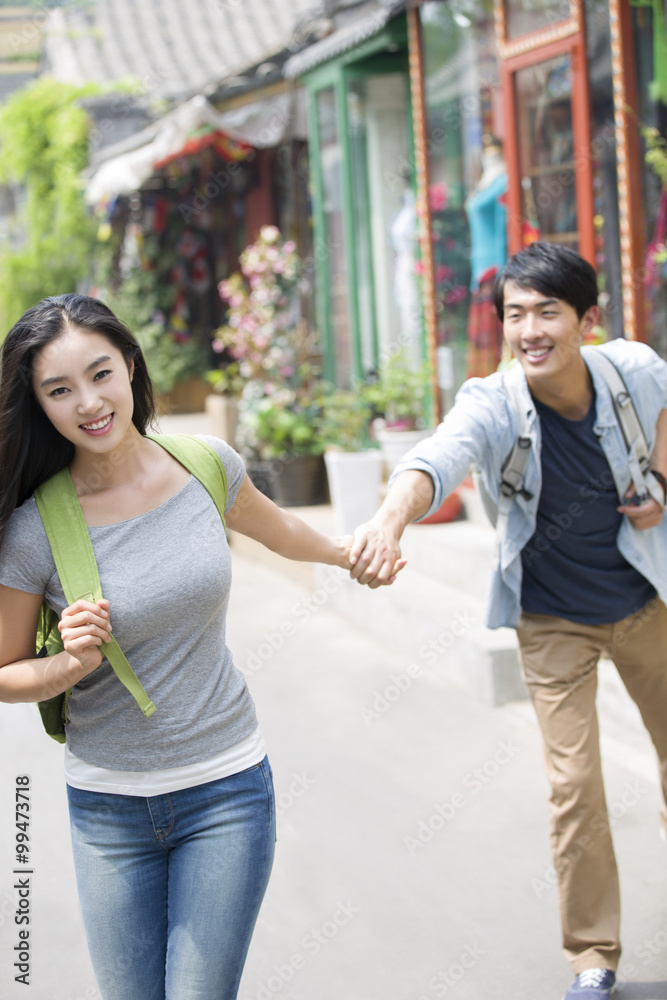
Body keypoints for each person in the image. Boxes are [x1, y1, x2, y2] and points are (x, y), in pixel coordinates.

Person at [0, 294, 397, 1000]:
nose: (89, 402)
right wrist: (68, 661)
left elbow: (281, 533)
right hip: (107, 810)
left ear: (129, 364)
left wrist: (348, 553)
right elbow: (4, 672)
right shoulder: (36, 530)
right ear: (38, 403)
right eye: (59, 390)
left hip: (227, 791)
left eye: (100, 374)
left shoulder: (204, 466)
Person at [349, 243, 667, 1000]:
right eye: (514, 314)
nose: (528, 329)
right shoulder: (492, 402)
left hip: (646, 602)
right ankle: (592, 956)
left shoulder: (634, 370)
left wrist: (656, 479)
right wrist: (389, 521)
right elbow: (438, 455)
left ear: (586, 321)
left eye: (546, 313)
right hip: (552, 619)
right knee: (574, 787)